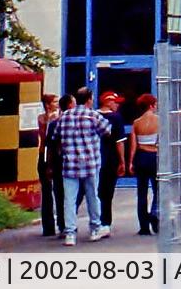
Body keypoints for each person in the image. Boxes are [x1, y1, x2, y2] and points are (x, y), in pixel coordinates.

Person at [47, 87, 114, 246]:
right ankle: (95, 228)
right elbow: (107, 131)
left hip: (70, 164)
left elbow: (55, 136)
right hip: (90, 163)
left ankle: (70, 232)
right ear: (89, 99)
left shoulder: (64, 117)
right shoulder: (93, 115)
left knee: (69, 199)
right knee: (93, 196)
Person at [97, 92, 131, 236]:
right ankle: (105, 222)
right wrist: (122, 161)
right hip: (110, 159)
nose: (118, 105)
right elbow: (120, 142)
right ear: (107, 102)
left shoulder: (93, 116)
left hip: (93, 159)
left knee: (93, 192)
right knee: (107, 193)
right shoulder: (116, 118)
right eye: (115, 102)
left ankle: (92, 221)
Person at [130, 93, 161, 236]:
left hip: (141, 156)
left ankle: (143, 226)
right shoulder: (159, 121)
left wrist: (130, 162)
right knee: (158, 189)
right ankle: (155, 213)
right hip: (155, 156)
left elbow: (133, 145)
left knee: (141, 193)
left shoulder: (137, 122)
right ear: (151, 105)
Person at [36, 93, 60, 238]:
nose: (57, 104)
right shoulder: (44, 118)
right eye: (55, 102)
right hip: (46, 152)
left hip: (49, 152)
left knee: (54, 189)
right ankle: (49, 225)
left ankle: (55, 224)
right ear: (48, 104)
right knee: (47, 189)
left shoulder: (56, 117)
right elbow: (45, 137)